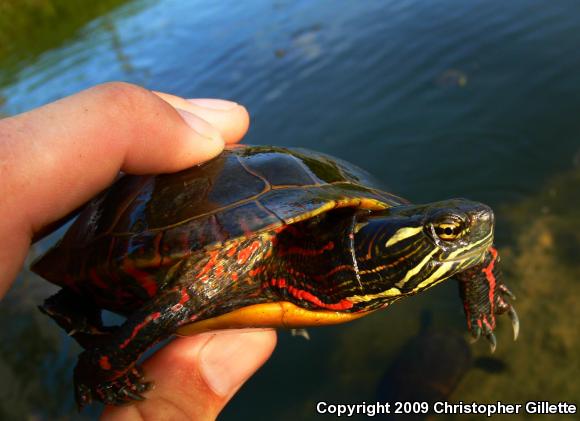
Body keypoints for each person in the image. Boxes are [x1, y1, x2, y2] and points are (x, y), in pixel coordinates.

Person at [0, 82, 277, 420]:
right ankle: (88, 331)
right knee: (197, 287)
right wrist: (105, 364)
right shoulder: (250, 250)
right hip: (171, 251)